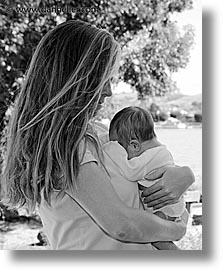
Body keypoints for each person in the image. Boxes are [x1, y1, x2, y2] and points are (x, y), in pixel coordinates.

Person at [1, 20, 194, 250]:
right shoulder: (67, 148)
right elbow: (122, 224)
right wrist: (177, 229)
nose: (110, 91)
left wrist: (184, 174)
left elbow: (150, 167)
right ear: (74, 77)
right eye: (104, 78)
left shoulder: (101, 134)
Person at [100, 106, 187, 249]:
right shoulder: (160, 151)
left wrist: (112, 149)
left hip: (165, 210)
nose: (125, 155)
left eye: (122, 148)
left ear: (134, 145)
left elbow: (130, 171)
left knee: (155, 237)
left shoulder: (150, 157)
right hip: (171, 207)